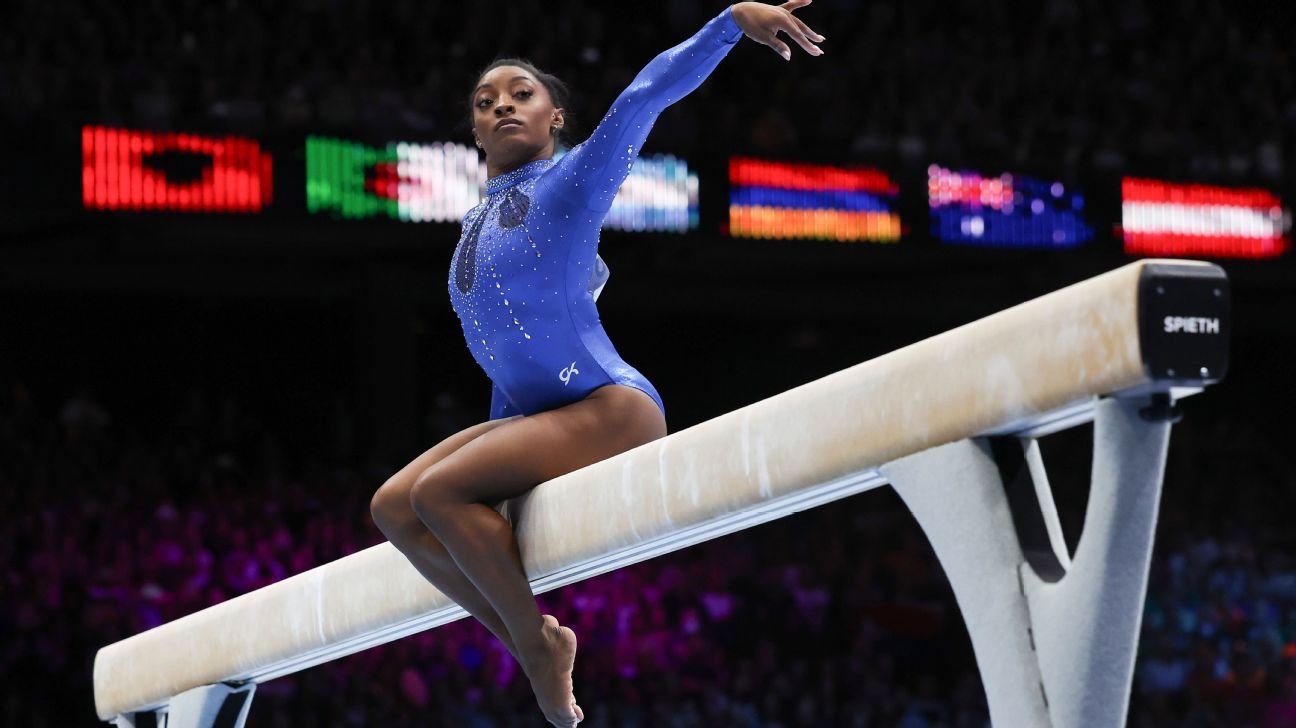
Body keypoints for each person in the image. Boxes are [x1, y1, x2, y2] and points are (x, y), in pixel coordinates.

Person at [369, 2, 824, 725]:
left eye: (522, 94)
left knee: (441, 493)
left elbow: (646, 94)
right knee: (394, 506)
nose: (503, 106)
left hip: (610, 408)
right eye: (486, 103)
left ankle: (539, 651)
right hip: (544, 418)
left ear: (555, 119)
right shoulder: (473, 227)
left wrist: (731, 22)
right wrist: (501, 465)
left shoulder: (571, 182)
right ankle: (534, 642)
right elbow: (505, 360)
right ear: (476, 132)